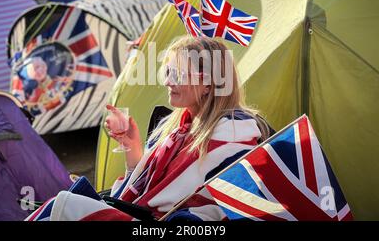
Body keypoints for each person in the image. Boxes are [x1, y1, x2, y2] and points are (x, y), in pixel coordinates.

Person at [27, 35, 270, 221]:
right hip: (142, 216)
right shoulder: (175, 126)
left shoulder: (234, 136)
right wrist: (131, 147)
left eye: (177, 73)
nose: (167, 81)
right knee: (60, 205)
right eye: (167, 72)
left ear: (207, 83)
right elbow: (145, 189)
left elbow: (219, 210)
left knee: (62, 206)